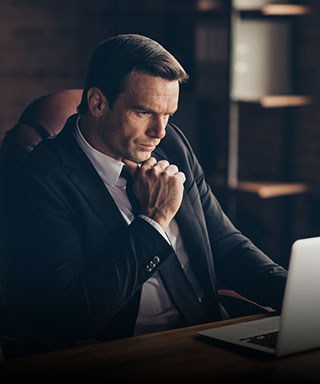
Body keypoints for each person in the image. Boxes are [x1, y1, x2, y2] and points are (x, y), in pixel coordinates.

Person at [3, 33, 287, 353]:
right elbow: (72, 316)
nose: (159, 131)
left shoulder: (171, 144)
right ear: (97, 102)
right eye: (144, 113)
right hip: (126, 351)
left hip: (208, 333)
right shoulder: (41, 180)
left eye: (168, 114)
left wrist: (297, 296)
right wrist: (154, 220)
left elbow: (226, 244)